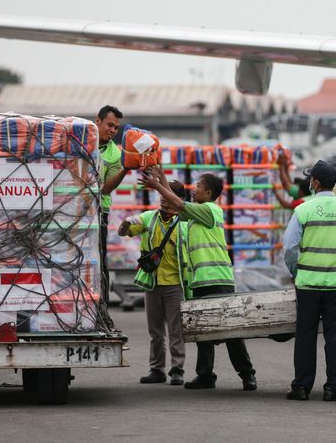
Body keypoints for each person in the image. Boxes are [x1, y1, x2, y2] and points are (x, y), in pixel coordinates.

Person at [141, 168, 257, 391]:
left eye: (198, 187)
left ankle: (247, 374)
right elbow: (177, 205)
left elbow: (181, 205)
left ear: (209, 192)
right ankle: (205, 375)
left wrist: (156, 185)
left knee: (231, 331)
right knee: (203, 330)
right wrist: (162, 180)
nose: (193, 190)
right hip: (200, 281)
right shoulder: (196, 215)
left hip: (217, 279)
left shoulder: (211, 210)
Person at [283, 160, 336, 402]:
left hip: (308, 284)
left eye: (310, 178)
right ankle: (334, 388)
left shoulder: (303, 210)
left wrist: (297, 270)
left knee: (305, 336)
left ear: (315, 182)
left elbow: (289, 247)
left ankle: (302, 387)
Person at [119, 180, 189, 386]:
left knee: (176, 331)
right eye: (162, 199)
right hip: (152, 283)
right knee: (155, 332)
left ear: (179, 200)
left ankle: (177, 369)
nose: (165, 204)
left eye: (169, 199)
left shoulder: (185, 223)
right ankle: (157, 369)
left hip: (175, 284)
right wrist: (124, 224)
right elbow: (124, 231)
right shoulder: (149, 217)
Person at [97, 105, 129, 306]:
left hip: (98, 212)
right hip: (71, 210)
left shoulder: (115, 155)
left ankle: (103, 309)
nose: (112, 130)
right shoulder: (80, 142)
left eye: (116, 128)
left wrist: (125, 169)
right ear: (97, 121)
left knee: (100, 261)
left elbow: (105, 189)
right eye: (110, 125)